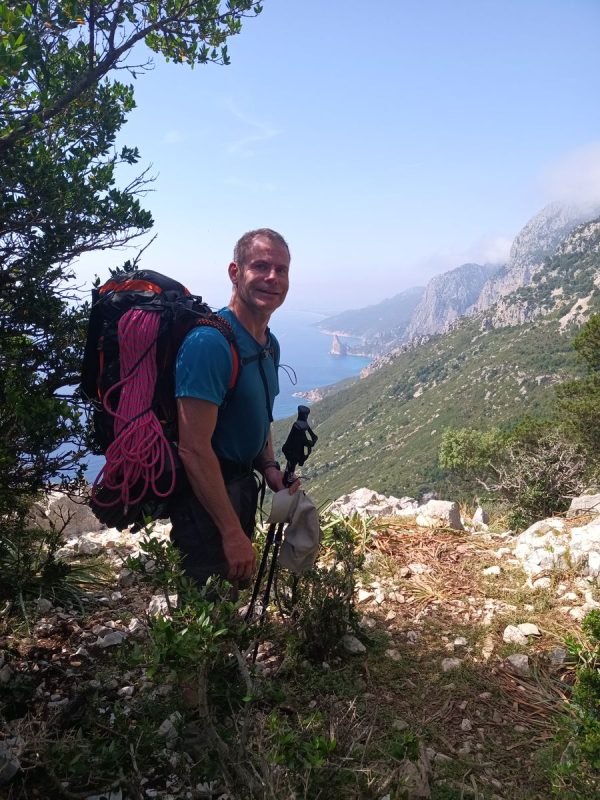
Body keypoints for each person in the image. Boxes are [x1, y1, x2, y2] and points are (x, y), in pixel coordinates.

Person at [170, 228, 297, 589]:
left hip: (241, 489)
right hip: (205, 500)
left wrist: (269, 467)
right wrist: (230, 532)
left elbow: (261, 414)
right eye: (261, 266)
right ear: (235, 272)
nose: (272, 277)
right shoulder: (209, 343)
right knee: (204, 608)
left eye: (281, 269)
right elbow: (192, 449)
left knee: (229, 595)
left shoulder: (268, 345)